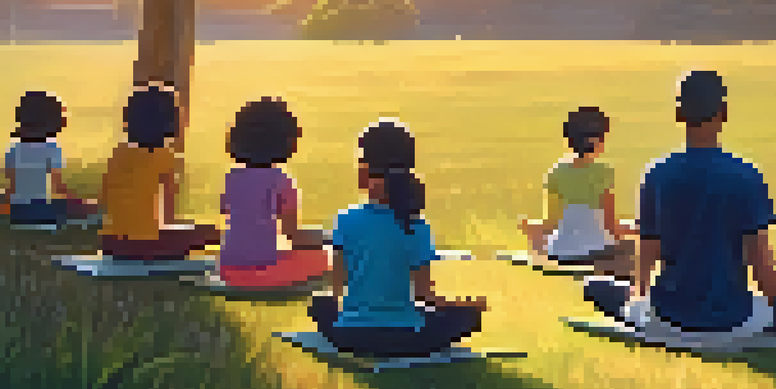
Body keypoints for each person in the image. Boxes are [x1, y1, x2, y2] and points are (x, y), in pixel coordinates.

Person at [583, 70, 776, 337]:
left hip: (666, 315)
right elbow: (762, 271)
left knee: (595, 286)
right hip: (733, 318)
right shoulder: (746, 175)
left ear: (679, 115)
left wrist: (638, 302)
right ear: (724, 113)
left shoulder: (656, 174)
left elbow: (646, 261)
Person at [308, 119, 487, 357]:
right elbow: (425, 294)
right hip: (405, 337)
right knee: (466, 318)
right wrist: (464, 305)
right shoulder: (417, 225)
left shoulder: (345, 220)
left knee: (320, 303)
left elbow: (338, 286)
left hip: (349, 336)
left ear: (364, 171)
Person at [217, 97, 332, 288]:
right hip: (264, 271)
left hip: (227, 268)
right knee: (325, 258)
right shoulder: (282, 181)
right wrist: (327, 237)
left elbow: (228, 213)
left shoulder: (232, 177)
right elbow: (293, 235)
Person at [98, 83, 220, 260]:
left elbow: (105, 197)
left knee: (184, 233)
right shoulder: (166, 156)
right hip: (145, 245)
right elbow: (168, 214)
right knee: (210, 232)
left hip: (110, 243)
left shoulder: (118, 153)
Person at [518, 107, 639, 278]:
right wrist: (634, 229)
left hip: (561, 251)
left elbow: (552, 224)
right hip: (598, 251)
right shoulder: (603, 173)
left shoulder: (556, 173)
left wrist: (531, 227)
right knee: (631, 249)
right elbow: (610, 227)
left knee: (538, 237)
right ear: (600, 141)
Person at [0, 90, 99, 225]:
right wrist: (77, 203)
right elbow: (58, 188)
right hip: (45, 213)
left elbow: (12, 186)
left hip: (17, 214)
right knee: (90, 205)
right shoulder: (52, 148)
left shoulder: (13, 149)